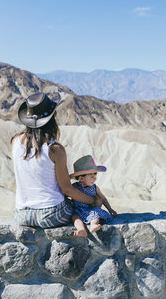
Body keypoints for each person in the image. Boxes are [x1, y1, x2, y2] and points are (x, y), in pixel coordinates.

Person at [11, 92, 103, 236]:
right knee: (77, 209)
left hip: (22, 215)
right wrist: (93, 200)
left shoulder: (15, 142)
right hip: (51, 215)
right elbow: (66, 189)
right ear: (51, 119)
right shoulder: (54, 149)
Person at [70, 155, 117, 233]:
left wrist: (110, 209)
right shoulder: (74, 187)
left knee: (95, 213)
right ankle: (81, 229)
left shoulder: (95, 188)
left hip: (90, 210)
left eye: (95, 175)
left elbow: (103, 198)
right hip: (78, 211)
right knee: (75, 217)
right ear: (81, 178)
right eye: (91, 176)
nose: (95, 178)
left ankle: (93, 225)